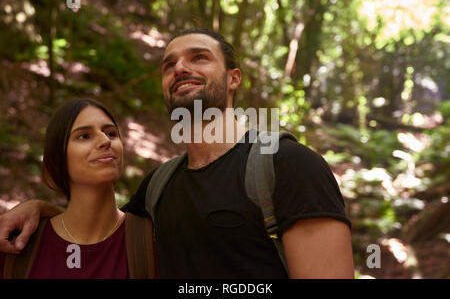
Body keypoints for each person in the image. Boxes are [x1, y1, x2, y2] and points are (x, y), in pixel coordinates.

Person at [0, 28, 354, 278]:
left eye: (199, 58)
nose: (180, 68)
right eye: (169, 65)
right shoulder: (158, 187)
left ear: (234, 79)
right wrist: (38, 209)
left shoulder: (289, 165)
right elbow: (96, 224)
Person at [0, 98, 154, 278]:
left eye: (111, 133)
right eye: (84, 136)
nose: (105, 141)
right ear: (59, 158)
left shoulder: (152, 241)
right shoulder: (17, 245)